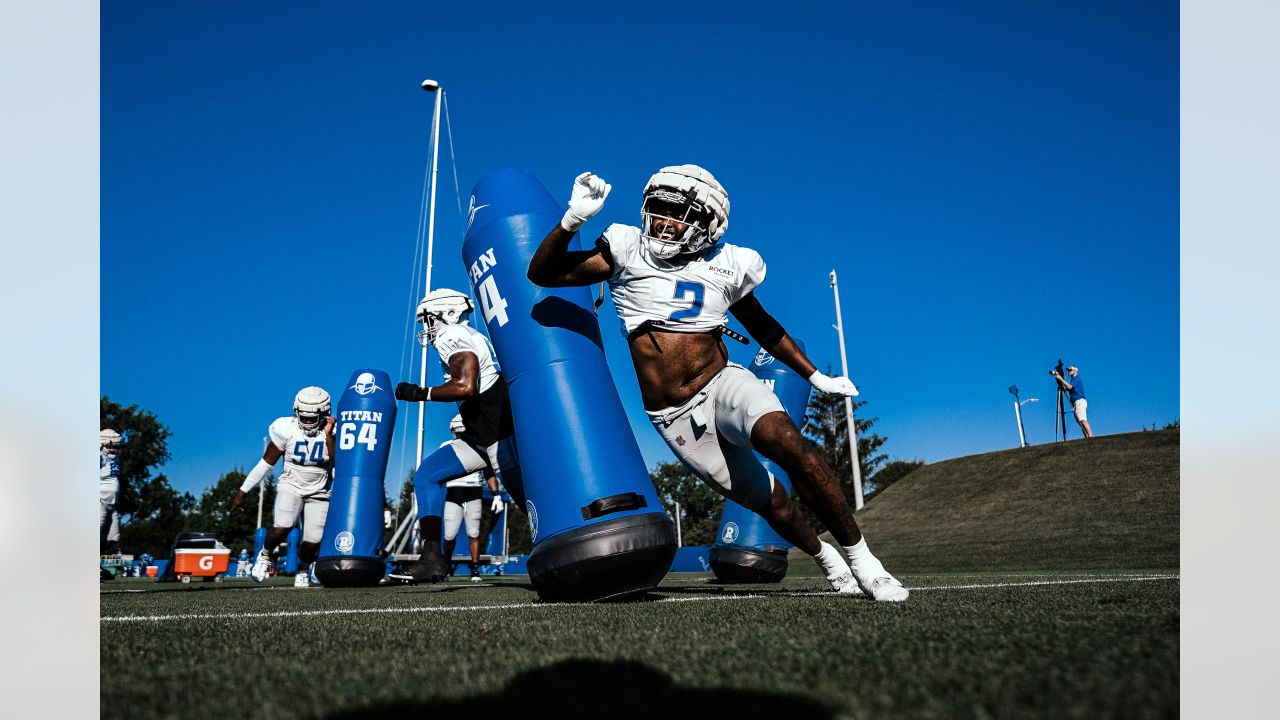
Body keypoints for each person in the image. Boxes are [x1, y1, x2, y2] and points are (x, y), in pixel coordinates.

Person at [527, 167, 908, 601]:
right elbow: (543, 273)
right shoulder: (626, 249)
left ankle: (864, 561)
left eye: (678, 214)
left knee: (789, 443)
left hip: (723, 383)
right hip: (673, 415)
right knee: (773, 504)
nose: (663, 222)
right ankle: (825, 557)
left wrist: (815, 376)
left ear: (707, 225)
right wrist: (572, 219)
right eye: (659, 210)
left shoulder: (727, 265)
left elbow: (766, 328)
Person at [389, 289, 521, 584]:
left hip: (496, 432)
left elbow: (465, 387)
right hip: (481, 434)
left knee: (527, 496)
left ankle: (560, 547)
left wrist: (421, 393)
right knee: (426, 476)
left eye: (428, 320)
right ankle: (432, 558)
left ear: (446, 314)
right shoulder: (465, 335)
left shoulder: (452, 336)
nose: (426, 328)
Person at [229, 386, 335, 587]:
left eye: (313, 418)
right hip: (291, 484)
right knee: (283, 526)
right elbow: (266, 463)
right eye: (303, 417)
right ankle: (265, 555)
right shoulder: (286, 429)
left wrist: (329, 435)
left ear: (325, 414)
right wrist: (243, 491)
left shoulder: (335, 431)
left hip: (320, 490)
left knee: (313, 539)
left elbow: (338, 461)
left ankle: (304, 569)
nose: (307, 422)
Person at [438, 415, 505, 583]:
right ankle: (446, 565)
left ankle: (475, 570)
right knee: (449, 534)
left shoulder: (479, 446)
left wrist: (496, 494)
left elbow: (488, 472)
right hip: (453, 492)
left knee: (473, 533)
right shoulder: (446, 446)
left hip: (474, 491)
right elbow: (438, 471)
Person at [1052, 364, 1092, 438]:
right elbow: (1068, 387)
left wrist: (1060, 378)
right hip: (1076, 402)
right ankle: (1087, 437)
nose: (1068, 372)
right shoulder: (1072, 380)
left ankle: (1090, 437)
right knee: (1080, 422)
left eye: (1070, 370)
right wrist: (1060, 381)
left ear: (1075, 370)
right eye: (1068, 370)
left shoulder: (1076, 379)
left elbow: (1070, 387)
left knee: (1082, 420)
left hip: (1079, 401)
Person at [100, 429, 122, 561]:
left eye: (115, 445)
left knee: (113, 537)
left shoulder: (116, 459)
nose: (113, 448)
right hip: (100, 501)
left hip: (111, 504)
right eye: (110, 445)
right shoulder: (99, 457)